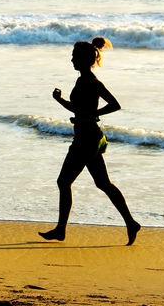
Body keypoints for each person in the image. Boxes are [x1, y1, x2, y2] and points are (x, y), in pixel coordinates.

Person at [39, 37, 141, 246]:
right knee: (103, 183)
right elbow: (79, 110)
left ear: (84, 59)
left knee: (64, 181)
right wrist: (61, 101)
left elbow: (115, 104)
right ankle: (131, 223)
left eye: (74, 56)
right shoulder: (82, 79)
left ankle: (60, 230)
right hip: (90, 138)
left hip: (87, 140)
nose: (71, 60)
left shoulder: (91, 81)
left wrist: (92, 114)